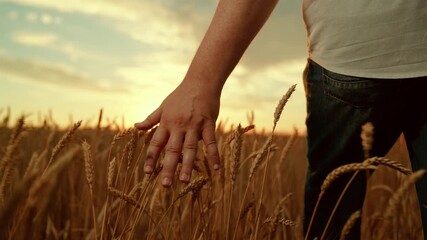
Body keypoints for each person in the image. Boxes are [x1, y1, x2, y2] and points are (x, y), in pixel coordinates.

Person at [135, 0, 427, 239]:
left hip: (348, 55)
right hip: (346, 63)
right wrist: (200, 80)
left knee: (330, 222)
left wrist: (201, 80)